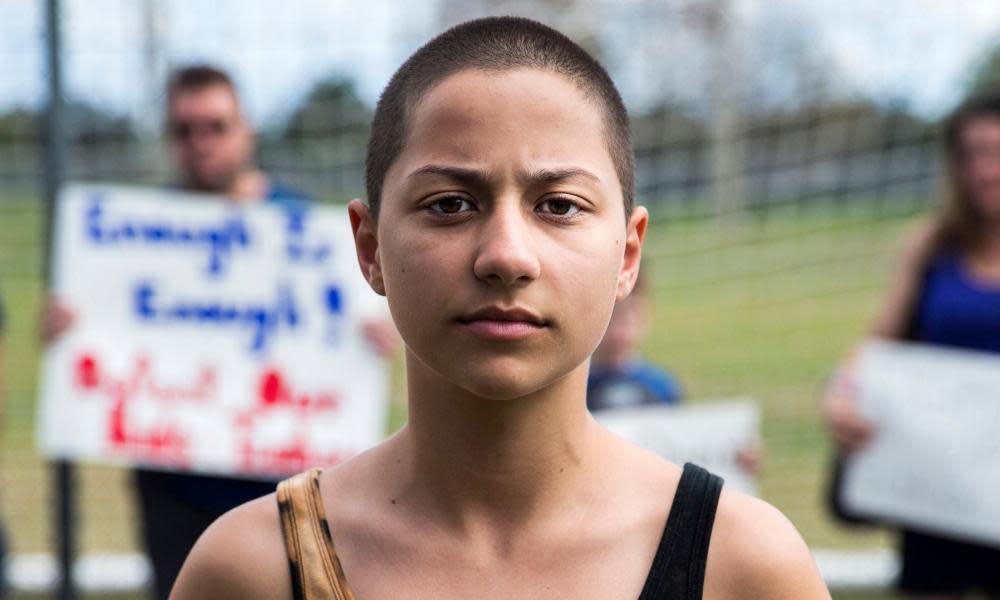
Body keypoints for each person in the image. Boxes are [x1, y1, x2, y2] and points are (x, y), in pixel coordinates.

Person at [171, 17, 829, 599]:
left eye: (559, 205)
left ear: (628, 255)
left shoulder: (741, 565)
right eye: (450, 204)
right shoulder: (253, 568)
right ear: (370, 247)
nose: (506, 255)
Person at [41, 65, 398, 600]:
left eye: (215, 126)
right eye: (183, 130)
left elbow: (356, 333)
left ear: (246, 130)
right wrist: (71, 331)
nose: (200, 143)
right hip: (173, 488)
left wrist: (372, 338)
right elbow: (100, 338)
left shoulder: (304, 233)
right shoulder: (130, 240)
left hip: (289, 483)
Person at [824, 91, 1000, 599]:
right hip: (938, 488)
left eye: (997, 151)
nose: (984, 170)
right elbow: (876, 345)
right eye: (971, 154)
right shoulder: (930, 247)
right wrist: (841, 394)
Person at [587, 269, 682, 411]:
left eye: (626, 317)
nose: (617, 331)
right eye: (611, 316)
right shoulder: (572, 393)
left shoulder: (663, 388)